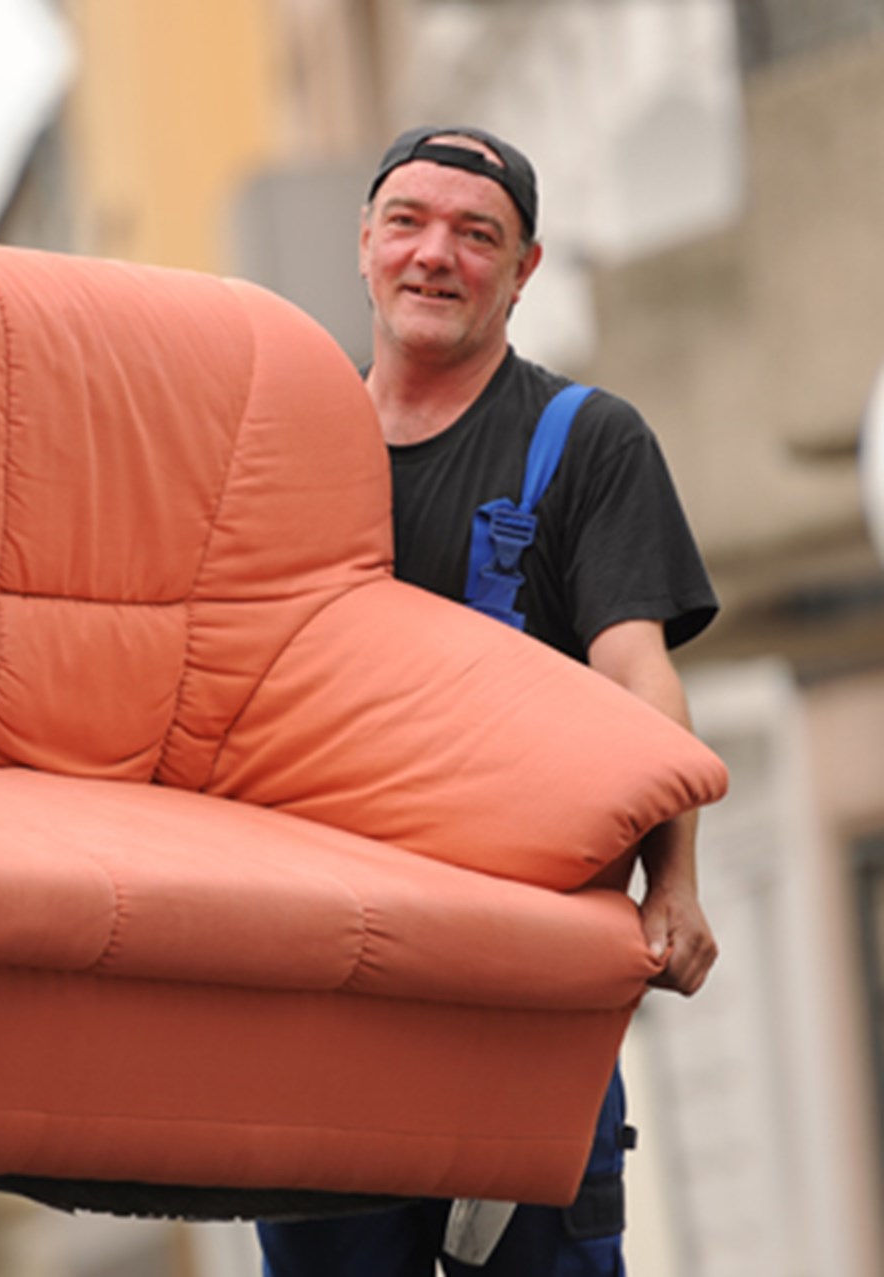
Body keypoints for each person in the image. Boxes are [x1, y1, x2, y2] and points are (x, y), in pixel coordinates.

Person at [256, 127, 720, 1275]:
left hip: (516, 989)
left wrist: (675, 878)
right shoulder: (282, 446)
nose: (436, 255)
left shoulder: (584, 444)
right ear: (364, 244)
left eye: (478, 234)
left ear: (526, 269)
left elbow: (637, 675)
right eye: (408, 222)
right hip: (325, 988)